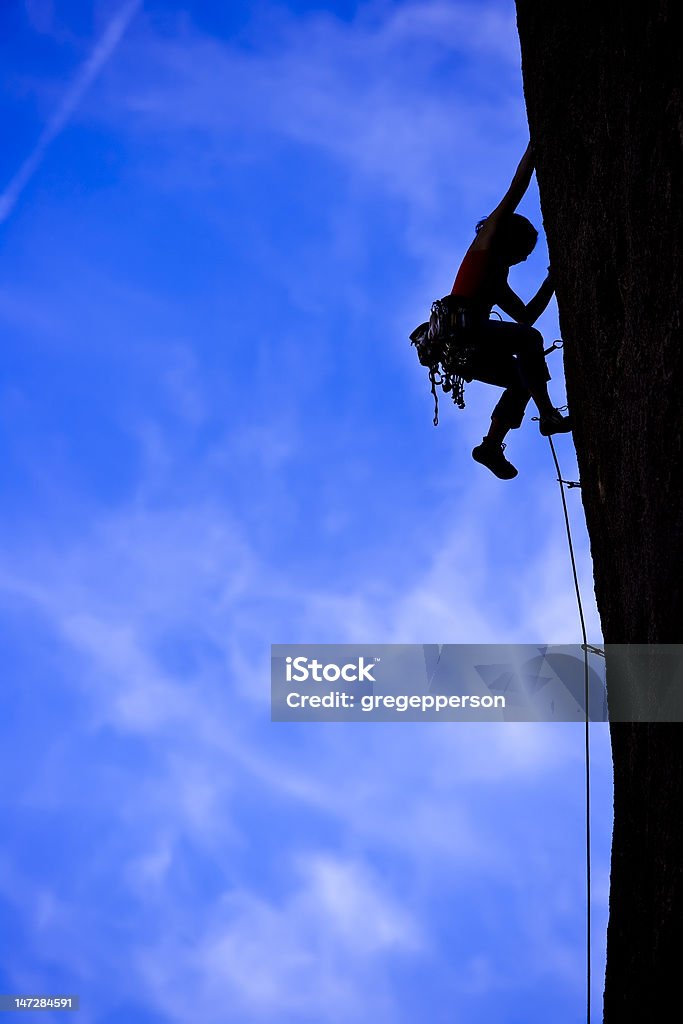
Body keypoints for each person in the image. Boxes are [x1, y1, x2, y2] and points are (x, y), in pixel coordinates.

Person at [450, 142, 571, 479]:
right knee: (529, 341)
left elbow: (526, 315)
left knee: (522, 380)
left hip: (461, 346)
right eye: (525, 251)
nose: (525, 258)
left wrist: (552, 280)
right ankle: (549, 415)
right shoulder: (485, 244)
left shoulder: (495, 278)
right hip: (463, 332)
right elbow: (516, 188)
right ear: (511, 241)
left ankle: (490, 446)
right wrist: (536, 146)